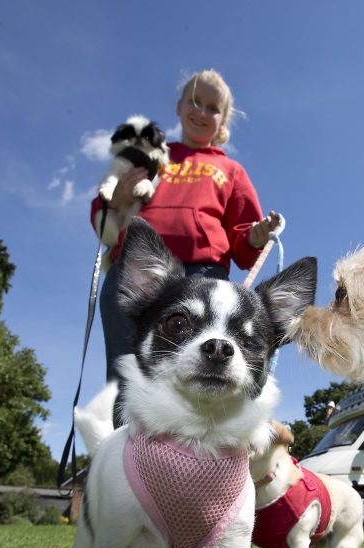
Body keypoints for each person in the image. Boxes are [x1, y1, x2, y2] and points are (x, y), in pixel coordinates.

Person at [91, 68, 281, 387]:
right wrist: (118, 196)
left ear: (223, 122)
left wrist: (255, 236)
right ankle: (127, 437)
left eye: (213, 108)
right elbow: (104, 212)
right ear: (178, 107)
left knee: (198, 371)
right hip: (137, 271)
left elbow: (244, 248)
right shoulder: (151, 158)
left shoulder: (231, 170)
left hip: (202, 276)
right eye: (195, 101)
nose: (202, 112)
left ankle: (188, 440)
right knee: (126, 372)